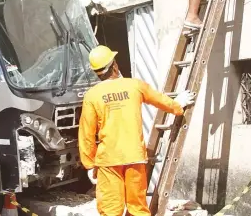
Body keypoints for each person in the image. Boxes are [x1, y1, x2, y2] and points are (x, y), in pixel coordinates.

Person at [78, 45, 196, 216]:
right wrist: (178, 104)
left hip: (108, 160)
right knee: (138, 208)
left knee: (110, 210)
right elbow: (161, 100)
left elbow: (86, 134)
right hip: (135, 157)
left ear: (97, 72)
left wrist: (89, 164)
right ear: (115, 65)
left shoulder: (92, 95)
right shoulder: (135, 86)